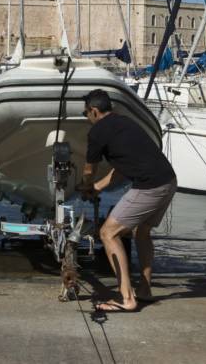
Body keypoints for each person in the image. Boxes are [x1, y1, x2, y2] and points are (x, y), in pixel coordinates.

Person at [80, 88, 177, 312]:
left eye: (86, 113)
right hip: (168, 181)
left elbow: (89, 168)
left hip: (149, 187)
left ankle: (126, 298)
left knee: (108, 233)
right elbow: (123, 167)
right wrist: (98, 187)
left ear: (94, 111)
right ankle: (144, 289)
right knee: (141, 232)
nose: (86, 118)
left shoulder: (97, 132)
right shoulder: (125, 123)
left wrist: (86, 185)